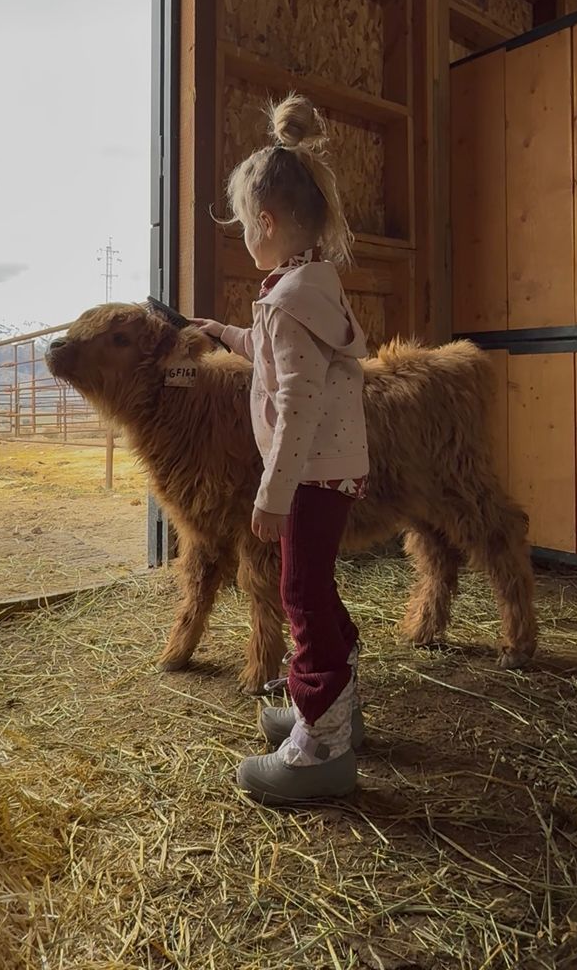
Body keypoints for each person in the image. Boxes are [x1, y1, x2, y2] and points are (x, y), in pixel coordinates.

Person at [194, 93, 369, 805]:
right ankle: (327, 705)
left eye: (243, 225)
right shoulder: (309, 287)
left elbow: (296, 402)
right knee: (316, 588)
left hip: (309, 475)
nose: (244, 236)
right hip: (329, 470)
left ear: (266, 222)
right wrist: (223, 333)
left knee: (300, 593)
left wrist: (272, 494)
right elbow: (274, 353)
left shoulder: (290, 303)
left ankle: (321, 749)